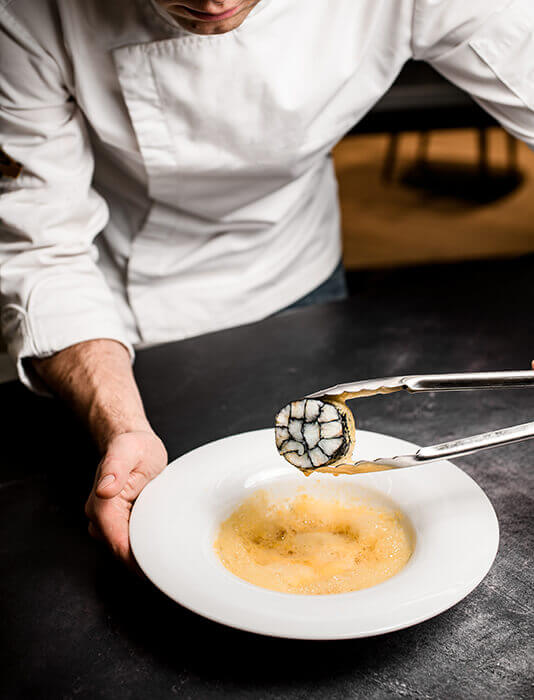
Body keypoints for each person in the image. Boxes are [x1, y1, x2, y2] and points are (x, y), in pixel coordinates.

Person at [1, 0, 533, 568]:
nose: (212, 1)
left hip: (294, 271)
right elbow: (42, 244)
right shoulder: (27, 12)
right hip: (114, 303)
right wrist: (122, 427)